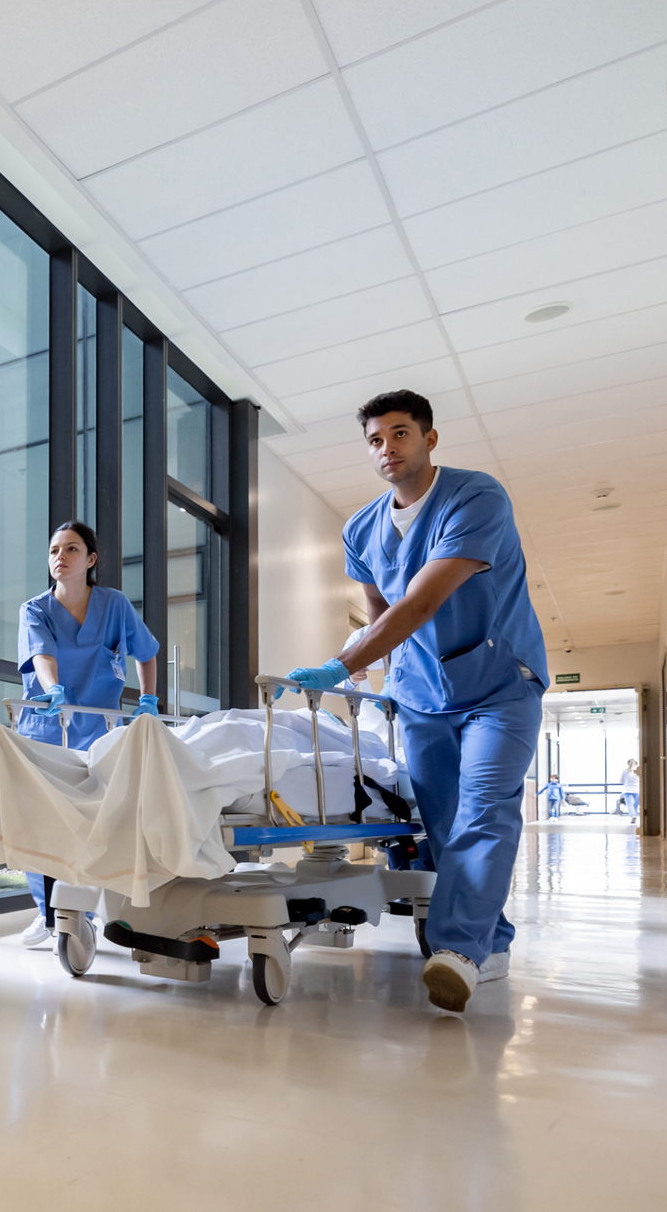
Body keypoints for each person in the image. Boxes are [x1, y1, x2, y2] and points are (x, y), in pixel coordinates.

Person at [276, 391, 547, 1014]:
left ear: (429, 438)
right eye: (375, 439)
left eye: (400, 433)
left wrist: (340, 664)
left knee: (485, 808)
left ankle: (456, 952)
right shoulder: (359, 529)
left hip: (499, 682)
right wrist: (369, 670)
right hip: (422, 694)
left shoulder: (477, 497)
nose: (387, 448)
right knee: (446, 824)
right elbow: (380, 615)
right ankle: (491, 937)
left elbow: (421, 603)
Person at [13, 521, 160, 949]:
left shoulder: (114, 605)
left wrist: (148, 700)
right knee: (43, 820)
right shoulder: (35, 608)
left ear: (91, 560)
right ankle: (47, 912)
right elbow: (42, 653)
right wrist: (53, 688)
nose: (60, 556)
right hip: (47, 726)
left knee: (97, 821)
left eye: (72, 549)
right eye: (54, 550)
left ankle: (90, 906)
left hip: (100, 730)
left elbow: (146, 652)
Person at [619, 758, 641, 824]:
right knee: (635, 805)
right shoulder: (638, 771)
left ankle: (633, 816)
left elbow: (621, 781)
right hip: (636, 790)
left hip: (627, 790)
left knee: (629, 804)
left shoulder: (624, 771)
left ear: (628, 764)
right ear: (636, 764)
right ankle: (634, 815)